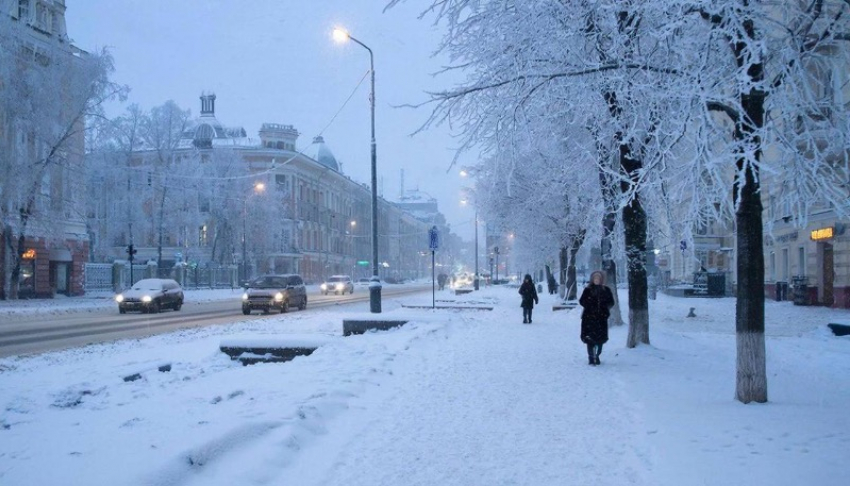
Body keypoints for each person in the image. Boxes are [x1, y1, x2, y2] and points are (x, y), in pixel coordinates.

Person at [578, 270, 615, 365]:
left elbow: (611, 302)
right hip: (589, 318)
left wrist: (604, 308)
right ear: (592, 279)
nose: (596, 280)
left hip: (601, 319)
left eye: (598, 278)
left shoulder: (606, 290)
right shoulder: (588, 290)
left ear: (601, 279)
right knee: (589, 339)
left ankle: (597, 355)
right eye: (595, 278)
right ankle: (591, 357)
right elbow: (582, 301)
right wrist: (589, 305)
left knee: (600, 340)